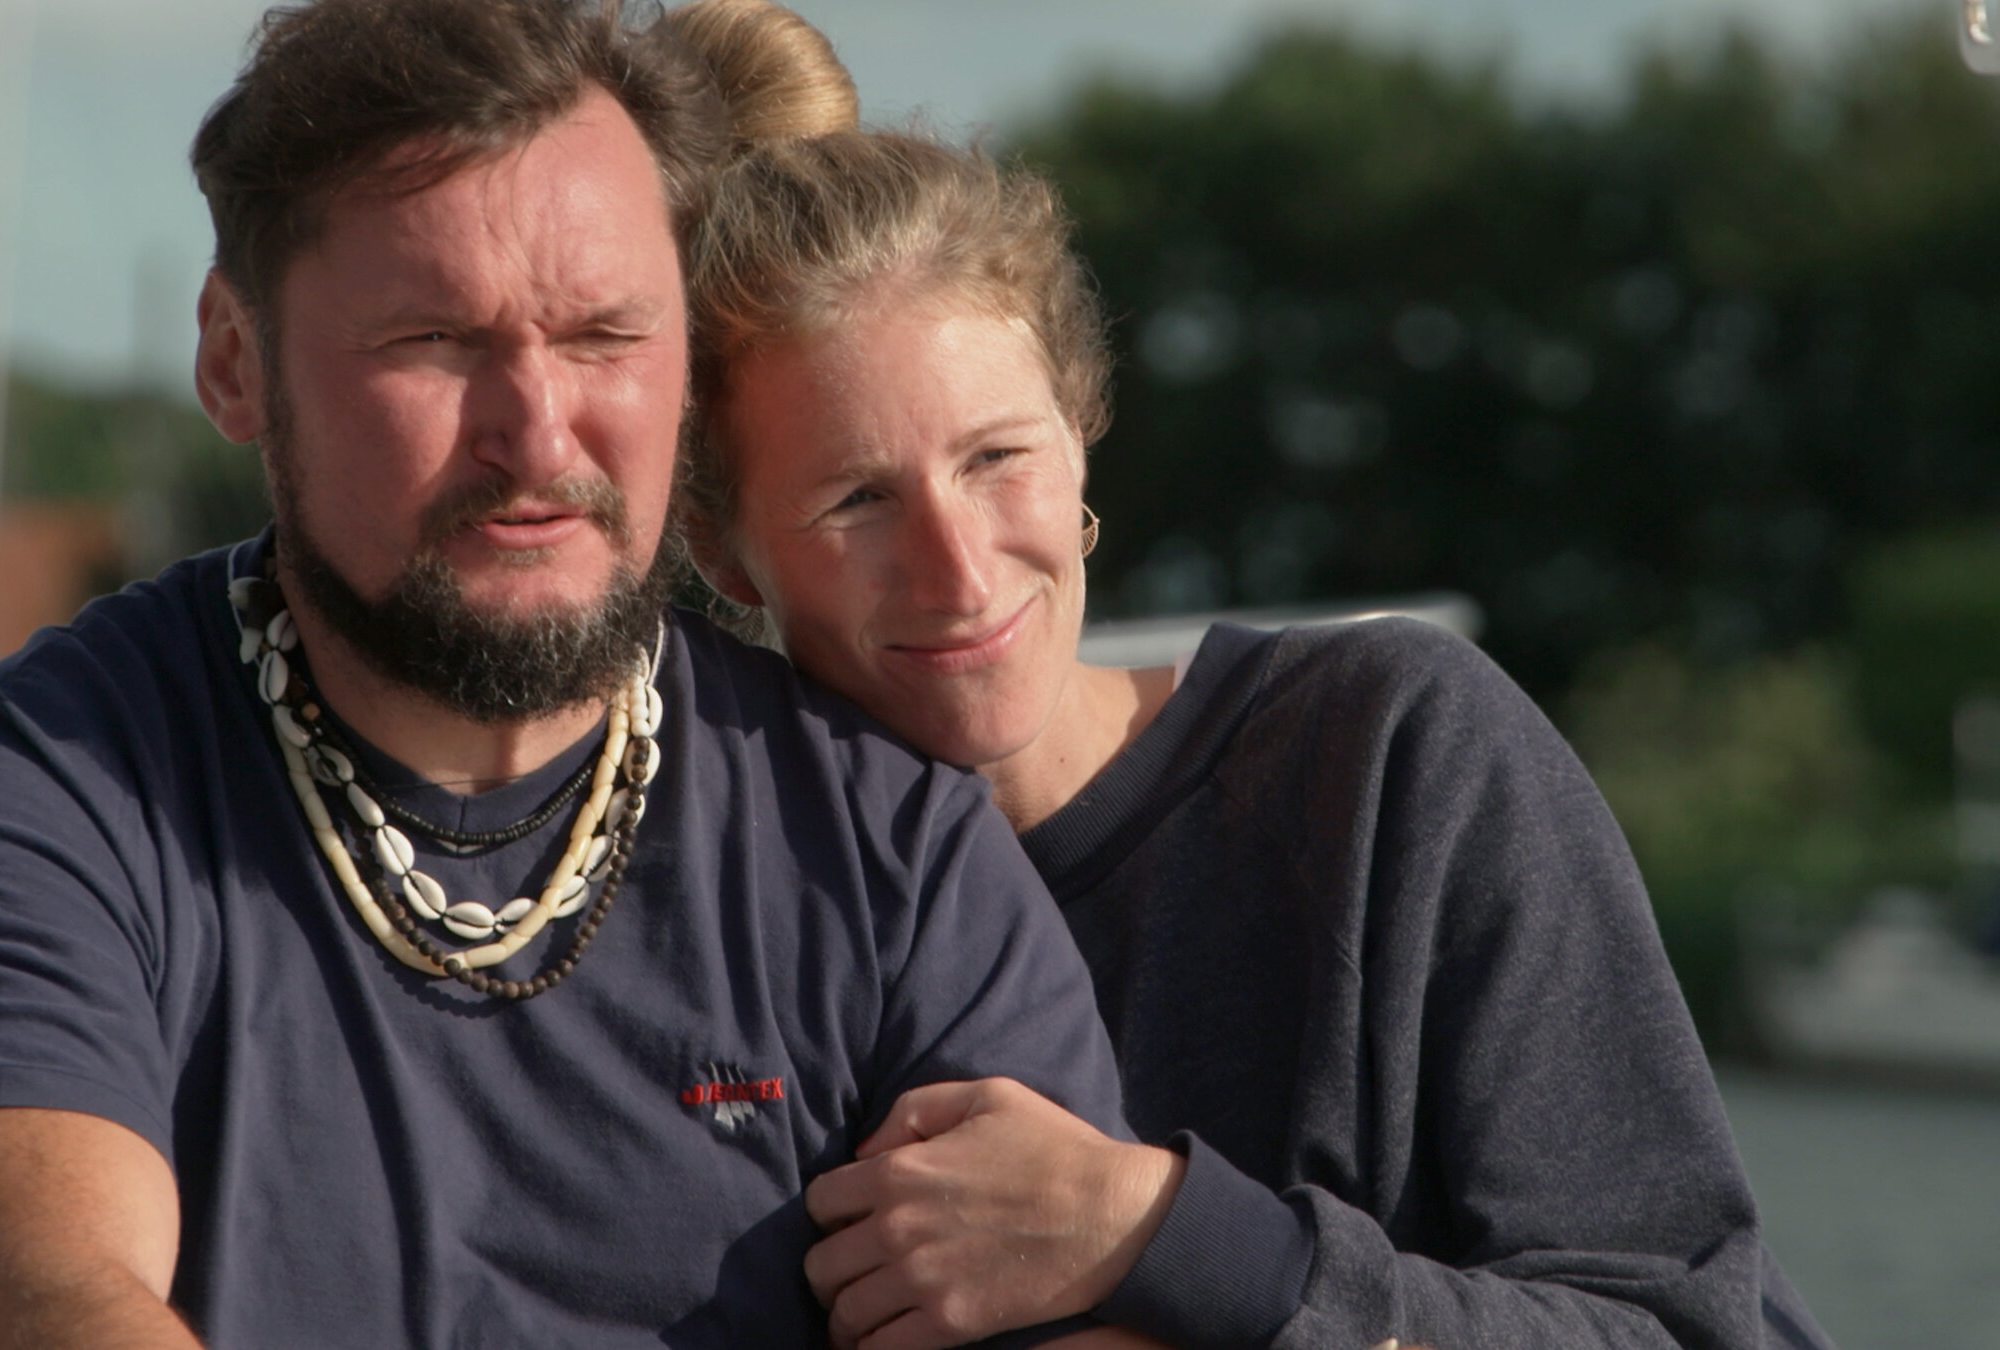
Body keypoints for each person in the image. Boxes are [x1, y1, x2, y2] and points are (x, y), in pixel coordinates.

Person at [0, 1, 1140, 1344]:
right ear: (234, 361)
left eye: (602, 336)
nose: (535, 432)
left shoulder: (881, 841)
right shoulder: (66, 782)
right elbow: (37, 1298)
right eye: (435, 343)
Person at [667, 4, 1840, 1348]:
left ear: (1082, 428)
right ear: (725, 547)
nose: (957, 565)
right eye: (857, 498)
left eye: (997, 458)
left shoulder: (1395, 757)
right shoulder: (703, 902)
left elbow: (1699, 1330)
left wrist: (1158, 1232)